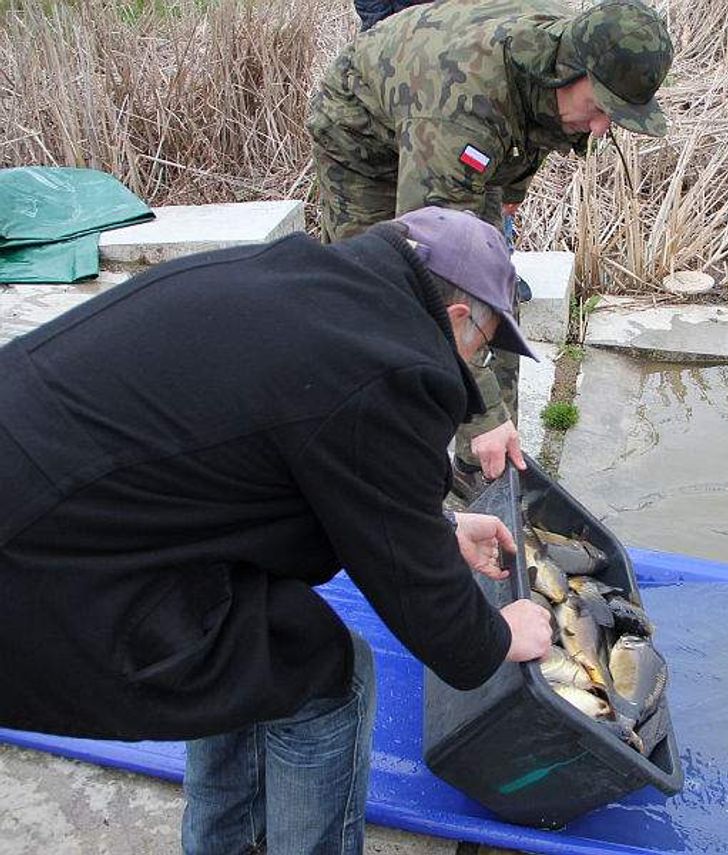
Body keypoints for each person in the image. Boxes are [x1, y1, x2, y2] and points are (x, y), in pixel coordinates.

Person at [0, 207, 554, 854]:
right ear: (456, 318)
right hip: (43, 559)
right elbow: (444, 630)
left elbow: (308, 449)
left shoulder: (314, 279)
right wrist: (498, 634)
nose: (474, 364)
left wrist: (438, 526)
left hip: (53, 482)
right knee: (325, 675)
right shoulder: (394, 365)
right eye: (481, 347)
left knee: (256, 648)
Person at [307, 0, 673, 500]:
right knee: (375, 301)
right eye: (603, 107)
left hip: (448, 125)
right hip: (363, 133)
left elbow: (527, 137)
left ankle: (488, 470)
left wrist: (505, 206)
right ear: (571, 71)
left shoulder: (552, 67)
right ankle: (367, 467)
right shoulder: (464, 105)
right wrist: (486, 413)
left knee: (495, 295)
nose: (602, 127)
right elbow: (428, 278)